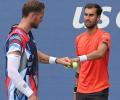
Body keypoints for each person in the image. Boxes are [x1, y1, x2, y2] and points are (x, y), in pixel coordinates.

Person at [5, 0, 71, 100]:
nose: (41, 20)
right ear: (33, 16)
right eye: (41, 17)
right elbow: (12, 71)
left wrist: (57, 60)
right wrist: (30, 94)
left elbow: (34, 54)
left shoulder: (27, 34)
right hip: (19, 97)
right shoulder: (16, 39)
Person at [72, 3, 111, 100]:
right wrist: (75, 89)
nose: (87, 18)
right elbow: (79, 67)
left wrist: (80, 58)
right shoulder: (78, 38)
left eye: (91, 15)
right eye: (85, 14)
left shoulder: (104, 36)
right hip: (81, 91)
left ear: (98, 18)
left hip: (98, 90)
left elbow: (100, 53)